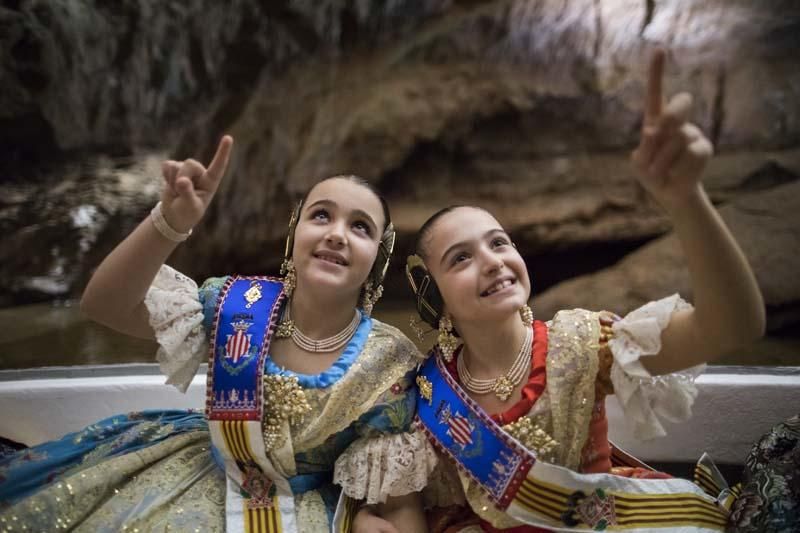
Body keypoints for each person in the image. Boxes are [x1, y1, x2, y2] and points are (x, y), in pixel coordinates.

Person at [406, 50, 766, 532]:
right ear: (436, 297)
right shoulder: (428, 394)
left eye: (499, 243)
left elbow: (733, 327)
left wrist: (687, 200)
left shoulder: (578, 344)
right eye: (461, 258)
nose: (492, 261)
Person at [0, 136, 433, 532]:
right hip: (195, 473)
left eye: (361, 227)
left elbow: (399, 503)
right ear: (294, 233)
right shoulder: (236, 305)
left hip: (305, 513)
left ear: (378, 256)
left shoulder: (388, 361)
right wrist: (169, 222)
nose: (337, 234)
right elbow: (103, 305)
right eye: (321, 215)